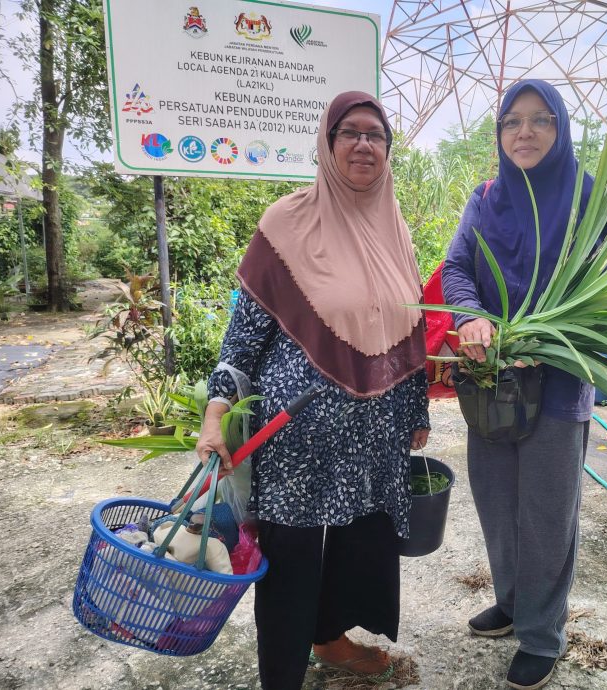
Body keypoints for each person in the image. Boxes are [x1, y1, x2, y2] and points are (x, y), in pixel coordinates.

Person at [195, 91, 430, 690]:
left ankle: (330, 638)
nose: (362, 144)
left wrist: (417, 406)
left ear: (386, 150)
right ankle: (281, 675)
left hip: (375, 430)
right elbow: (241, 339)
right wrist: (215, 412)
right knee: (293, 558)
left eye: (375, 135)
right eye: (348, 133)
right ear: (327, 146)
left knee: (357, 546)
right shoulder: (285, 224)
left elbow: (411, 323)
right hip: (296, 434)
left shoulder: (395, 227)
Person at [442, 79, 607, 690]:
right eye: (512, 122)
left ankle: (542, 634)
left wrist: (545, 338)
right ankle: (514, 604)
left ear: (561, 129)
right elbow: (458, 267)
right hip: (489, 378)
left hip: (561, 384)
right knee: (496, 501)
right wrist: (471, 316)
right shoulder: (485, 197)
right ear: (499, 134)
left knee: (545, 514)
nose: (524, 132)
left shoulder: (589, 198)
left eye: (540, 120)